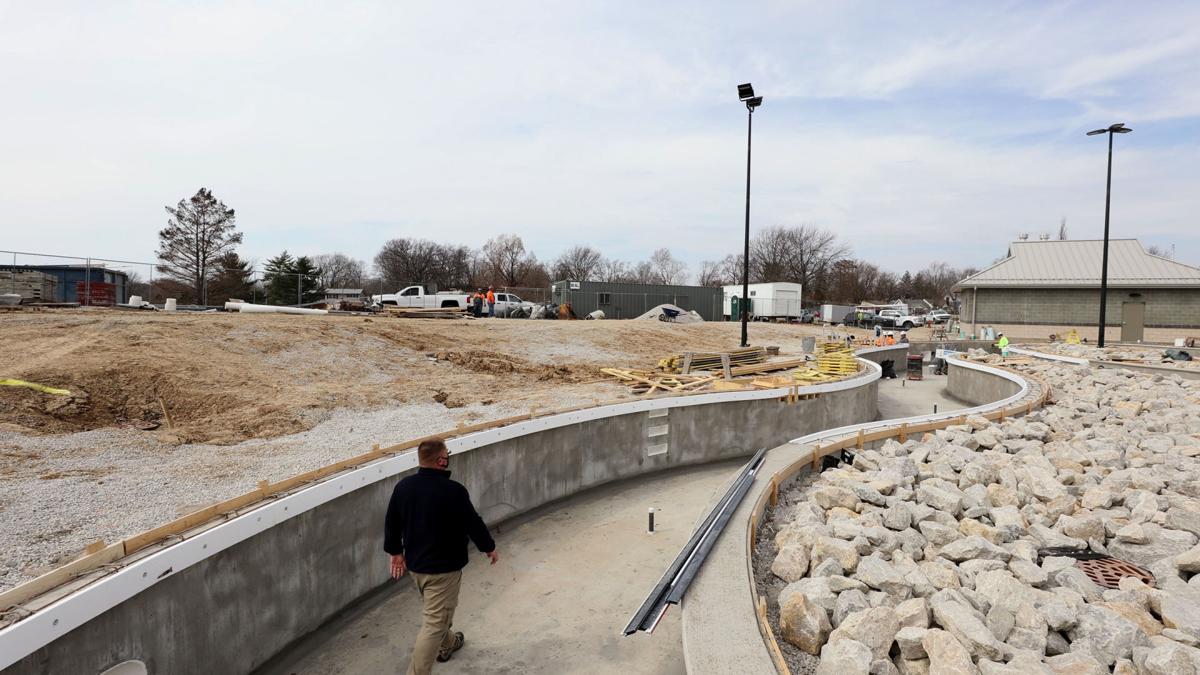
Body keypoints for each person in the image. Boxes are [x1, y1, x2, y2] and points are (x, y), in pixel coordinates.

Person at [384, 439, 498, 674]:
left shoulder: (403, 487)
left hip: (416, 568)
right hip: (443, 570)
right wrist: (489, 547)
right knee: (434, 623)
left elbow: (392, 522)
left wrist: (396, 552)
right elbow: (473, 523)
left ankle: (449, 644)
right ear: (441, 460)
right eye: (447, 455)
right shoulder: (453, 491)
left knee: (437, 612)